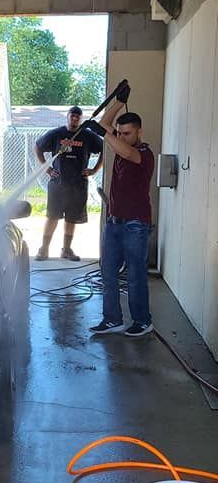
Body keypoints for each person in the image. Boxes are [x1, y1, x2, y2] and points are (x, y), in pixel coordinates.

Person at [86, 84, 155, 337]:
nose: (122, 137)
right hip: (114, 223)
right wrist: (118, 101)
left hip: (136, 225)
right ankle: (112, 319)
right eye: (120, 133)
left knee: (136, 275)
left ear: (139, 132)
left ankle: (142, 321)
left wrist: (106, 134)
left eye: (127, 133)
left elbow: (123, 149)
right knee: (108, 274)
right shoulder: (119, 144)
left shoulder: (144, 154)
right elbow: (105, 124)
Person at [34, 106, 104, 262]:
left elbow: (105, 149)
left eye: (77, 117)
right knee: (52, 217)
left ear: (81, 119)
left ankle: (66, 249)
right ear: (67, 117)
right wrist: (47, 168)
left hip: (78, 185)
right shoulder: (56, 134)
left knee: (72, 219)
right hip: (58, 184)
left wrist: (94, 170)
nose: (74, 119)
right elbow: (37, 147)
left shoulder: (87, 136)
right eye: (72, 116)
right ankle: (44, 249)